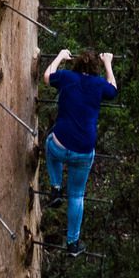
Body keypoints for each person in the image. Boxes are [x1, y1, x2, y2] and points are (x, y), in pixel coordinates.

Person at [43, 47, 118, 254]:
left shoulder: (67, 77)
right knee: (77, 196)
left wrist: (59, 56)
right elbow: (114, 90)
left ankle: (56, 188)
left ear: (76, 64)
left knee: (49, 144)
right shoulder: (99, 85)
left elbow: (47, 77)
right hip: (84, 151)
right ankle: (73, 243)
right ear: (95, 67)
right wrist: (108, 64)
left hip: (59, 144)